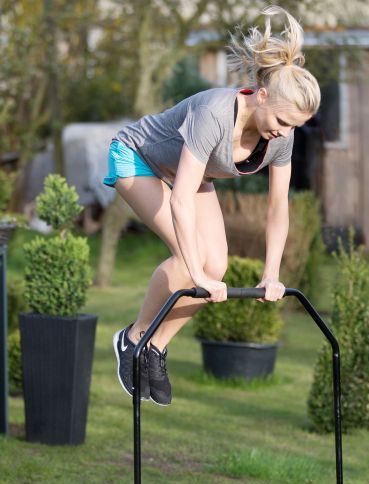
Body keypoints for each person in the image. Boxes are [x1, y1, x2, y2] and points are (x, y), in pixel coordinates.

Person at [103, 5, 321, 406]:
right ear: (262, 95)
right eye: (283, 121)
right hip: (136, 158)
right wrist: (196, 271)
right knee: (192, 262)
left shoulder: (281, 138)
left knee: (215, 266)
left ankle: (155, 347)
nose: (285, 132)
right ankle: (133, 338)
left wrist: (271, 274)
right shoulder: (215, 115)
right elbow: (181, 199)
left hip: (187, 172)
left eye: (295, 126)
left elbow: (278, 208)